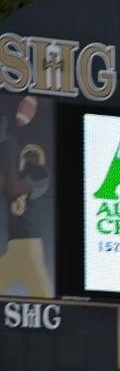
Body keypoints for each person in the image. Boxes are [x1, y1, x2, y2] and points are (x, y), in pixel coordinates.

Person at [0, 96, 52, 297]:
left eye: (32, 155)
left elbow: (15, 188)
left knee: (50, 307)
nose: (28, 158)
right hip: (15, 251)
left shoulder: (41, 176)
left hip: (30, 250)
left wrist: (6, 146)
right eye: (26, 154)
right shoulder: (16, 173)